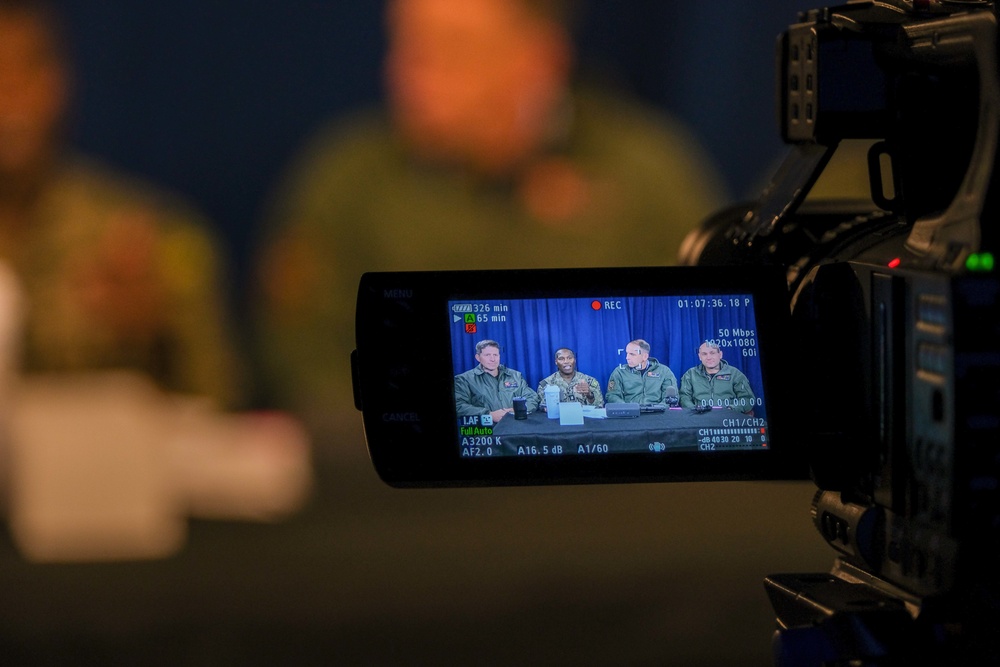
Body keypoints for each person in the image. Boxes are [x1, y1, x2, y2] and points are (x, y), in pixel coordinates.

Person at [254, 0, 727, 435]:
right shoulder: (348, 181)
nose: (409, 75)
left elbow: (710, 332)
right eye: (406, 45)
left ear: (542, 58)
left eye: (451, 51)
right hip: (408, 485)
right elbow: (305, 359)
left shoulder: (645, 178)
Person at [0, 0, 242, 407]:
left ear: (59, 82)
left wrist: (155, 337)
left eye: (27, 70)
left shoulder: (143, 234)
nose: (10, 97)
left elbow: (221, 397)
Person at [454, 339, 538, 422]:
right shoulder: (464, 380)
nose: (492, 359)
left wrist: (517, 409)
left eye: (495, 355)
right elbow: (458, 405)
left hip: (517, 425)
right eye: (487, 355)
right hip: (487, 429)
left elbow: (532, 398)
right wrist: (488, 415)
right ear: (478, 357)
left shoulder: (515, 375)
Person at [679, 341, 756, 413]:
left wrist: (731, 409)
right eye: (704, 354)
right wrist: (694, 410)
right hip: (699, 418)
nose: (708, 357)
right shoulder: (690, 374)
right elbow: (684, 397)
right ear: (699, 356)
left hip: (728, 418)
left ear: (720, 354)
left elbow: (748, 399)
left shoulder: (735, 374)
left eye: (712, 353)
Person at [605, 339, 676, 405]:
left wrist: (660, 408)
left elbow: (670, 398)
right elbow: (612, 395)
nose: (627, 357)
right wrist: (626, 408)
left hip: (657, 414)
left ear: (645, 357)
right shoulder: (619, 372)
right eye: (627, 353)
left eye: (632, 354)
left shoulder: (664, 371)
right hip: (630, 414)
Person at [536, 347, 603, 409]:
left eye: (570, 358)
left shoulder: (589, 381)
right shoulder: (546, 385)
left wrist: (589, 395)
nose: (566, 362)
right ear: (556, 362)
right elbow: (543, 408)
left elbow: (599, 406)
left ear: (575, 360)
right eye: (561, 359)